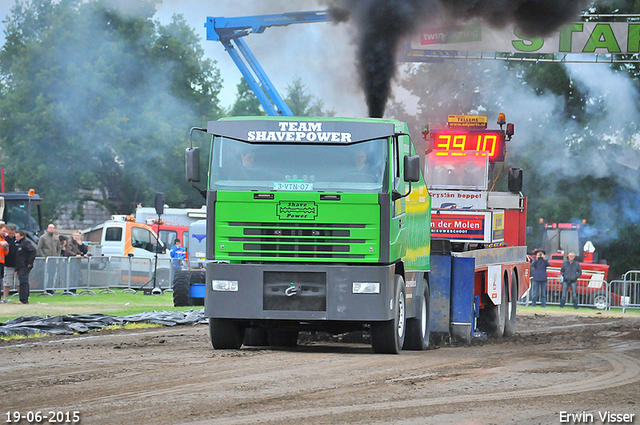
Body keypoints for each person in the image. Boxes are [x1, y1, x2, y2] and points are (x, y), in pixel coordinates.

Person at [15, 229, 36, 304]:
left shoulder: (25, 243)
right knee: (21, 282)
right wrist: (16, 269)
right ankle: (22, 298)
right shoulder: (18, 243)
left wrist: (30, 262)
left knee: (24, 282)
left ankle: (24, 299)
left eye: (17, 236)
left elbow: (33, 251)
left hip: (24, 265)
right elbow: (18, 257)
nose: (16, 238)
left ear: (22, 236)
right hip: (20, 266)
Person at [2, 225, 17, 303]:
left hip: (17, 264)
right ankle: (5, 298)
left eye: (13, 233)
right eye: (10, 233)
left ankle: (21, 298)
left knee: (19, 282)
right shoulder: (5, 239)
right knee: (7, 282)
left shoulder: (18, 239)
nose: (11, 235)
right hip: (8, 263)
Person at [0, 224, 8, 302]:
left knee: (0, 280)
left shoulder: (3, 239)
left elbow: (5, 253)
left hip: (1, 262)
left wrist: (6, 248)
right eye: (3, 231)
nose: (4, 233)